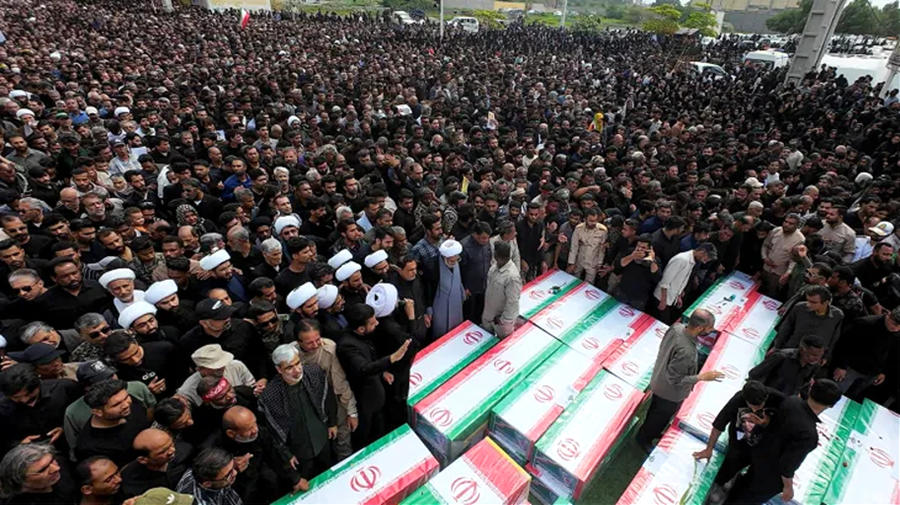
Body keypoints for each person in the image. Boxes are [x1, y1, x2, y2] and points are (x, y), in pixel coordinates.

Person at [723, 379, 841, 504]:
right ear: (831, 405)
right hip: (770, 475)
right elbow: (787, 466)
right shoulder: (809, 436)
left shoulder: (792, 401)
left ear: (811, 390)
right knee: (748, 499)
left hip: (758, 454)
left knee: (742, 488)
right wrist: (788, 487)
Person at [635, 309, 724, 453]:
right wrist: (701, 377)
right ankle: (644, 438)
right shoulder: (686, 351)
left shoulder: (677, 328)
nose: (711, 331)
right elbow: (675, 379)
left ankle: (650, 432)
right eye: (709, 328)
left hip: (659, 380)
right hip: (669, 393)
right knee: (659, 417)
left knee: (655, 412)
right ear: (699, 328)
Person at [258, 344, 336, 485]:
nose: (297, 370)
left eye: (298, 363)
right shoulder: (270, 396)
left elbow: (328, 398)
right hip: (299, 450)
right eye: (289, 367)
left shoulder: (314, 372)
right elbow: (272, 431)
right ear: (279, 370)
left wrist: (332, 423)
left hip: (322, 438)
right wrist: (286, 454)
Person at [337, 304, 410, 449]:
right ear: (360, 329)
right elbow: (363, 368)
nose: (377, 323)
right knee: (365, 439)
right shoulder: (347, 345)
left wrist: (382, 372)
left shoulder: (365, 336)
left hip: (377, 397)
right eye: (372, 322)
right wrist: (392, 358)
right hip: (364, 403)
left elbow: (371, 358)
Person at [692, 381, 785, 496]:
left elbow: (788, 417)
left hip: (764, 443)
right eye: (753, 406)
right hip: (739, 442)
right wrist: (709, 449)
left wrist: (766, 422)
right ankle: (719, 485)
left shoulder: (777, 398)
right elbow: (719, 425)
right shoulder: (737, 401)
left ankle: (738, 489)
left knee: (756, 472)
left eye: (760, 405)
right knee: (731, 464)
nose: (756, 409)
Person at [296, 319, 358, 461]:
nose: (315, 345)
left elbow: (340, 383)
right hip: (309, 406)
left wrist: (351, 411)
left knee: (343, 437)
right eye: (309, 343)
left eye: (317, 340)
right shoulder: (291, 354)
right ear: (299, 342)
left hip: (333, 399)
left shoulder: (329, 348)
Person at [831, 307, 900, 400]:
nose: (896, 328)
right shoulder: (865, 323)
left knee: (850, 399)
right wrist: (841, 365)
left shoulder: (897, 334)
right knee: (833, 395)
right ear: (888, 315)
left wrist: (883, 372)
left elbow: (892, 354)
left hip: (871, 374)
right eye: (894, 324)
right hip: (850, 368)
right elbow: (844, 344)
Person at [652, 243, 717, 324]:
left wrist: (678, 296)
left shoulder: (693, 261)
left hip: (672, 298)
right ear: (702, 252)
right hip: (662, 298)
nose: (705, 262)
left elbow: (683, 280)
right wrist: (663, 300)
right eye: (706, 259)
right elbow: (665, 281)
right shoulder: (681, 259)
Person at [772, 285, 844, 359]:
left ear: (825, 302)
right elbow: (785, 329)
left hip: (814, 358)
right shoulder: (799, 308)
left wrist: (826, 357)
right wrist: (777, 347)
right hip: (791, 352)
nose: (808, 305)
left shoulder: (837, 316)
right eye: (808, 300)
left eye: (813, 302)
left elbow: (833, 339)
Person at [0, 443, 77, 504]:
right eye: (42, 470)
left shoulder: (62, 465)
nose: (56, 468)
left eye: (52, 460)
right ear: (19, 480)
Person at [748, 335, 825, 396]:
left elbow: (804, 387)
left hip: (786, 403)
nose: (817, 358)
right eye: (813, 355)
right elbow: (755, 374)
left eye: (820, 355)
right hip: (764, 397)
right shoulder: (781, 356)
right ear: (802, 350)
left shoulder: (814, 366)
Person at [426, 239, 466, 338]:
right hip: (440, 304)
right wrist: (429, 308)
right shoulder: (432, 266)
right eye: (452, 261)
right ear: (445, 257)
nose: (455, 262)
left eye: (456, 260)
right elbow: (428, 288)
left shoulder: (456, 262)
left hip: (456, 301)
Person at [481, 240, 522, 338]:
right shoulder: (494, 268)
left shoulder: (512, 276)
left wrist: (504, 320)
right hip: (489, 313)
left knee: (503, 343)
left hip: (501, 321)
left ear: (496, 255)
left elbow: (513, 301)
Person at [176, 447, 243, 505]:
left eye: (233, 467)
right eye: (228, 475)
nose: (235, 473)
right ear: (207, 484)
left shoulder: (202, 470)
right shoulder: (199, 502)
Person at [613, 234, 662, 311]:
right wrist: (632, 257)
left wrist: (652, 260)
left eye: (643, 248)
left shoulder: (655, 260)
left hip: (638, 299)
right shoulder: (630, 252)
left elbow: (657, 278)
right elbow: (619, 265)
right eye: (638, 246)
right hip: (622, 292)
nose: (639, 249)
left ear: (649, 249)